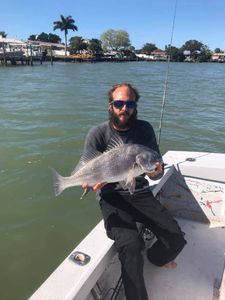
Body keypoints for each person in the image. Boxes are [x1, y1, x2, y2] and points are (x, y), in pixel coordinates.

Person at [82, 83, 187, 300]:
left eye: (129, 103)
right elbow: (88, 167)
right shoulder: (97, 133)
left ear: (135, 105)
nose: (124, 108)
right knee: (130, 245)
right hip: (111, 197)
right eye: (119, 103)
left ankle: (156, 258)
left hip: (139, 192)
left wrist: (156, 172)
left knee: (176, 237)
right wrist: (88, 181)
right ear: (110, 106)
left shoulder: (145, 129)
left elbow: (155, 173)